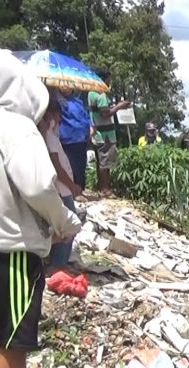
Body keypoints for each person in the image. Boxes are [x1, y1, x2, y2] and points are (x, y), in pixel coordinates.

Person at [0, 51, 82, 368]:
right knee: (11, 344)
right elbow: (36, 186)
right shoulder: (14, 127)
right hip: (11, 249)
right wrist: (63, 220)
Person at [40, 93, 83, 273]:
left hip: (63, 188)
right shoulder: (48, 136)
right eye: (58, 115)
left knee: (64, 224)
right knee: (69, 224)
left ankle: (58, 262)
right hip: (62, 189)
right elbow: (56, 166)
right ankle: (58, 264)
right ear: (50, 115)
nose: (60, 119)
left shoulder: (52, 135)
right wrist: (72, 185)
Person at [88, 69, 130, 197]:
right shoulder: (100, 94)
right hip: (105, 135)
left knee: (100, 162)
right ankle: (106, 190)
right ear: (102, 79)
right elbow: (105, 113)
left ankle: (102, 188)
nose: (109, 82)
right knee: (105, 163)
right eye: (108, 80)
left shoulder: (91, 93)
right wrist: (119, 106)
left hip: (98, 133)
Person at [56, 90, 91, 193]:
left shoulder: (78, 102)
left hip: (81, 138)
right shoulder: (57, 101)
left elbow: (86, 117)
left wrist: (90, 128)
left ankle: (80, 190)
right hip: (67, 138)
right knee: (70, 167)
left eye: (68, 84)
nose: (65, 86)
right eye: (62, 84)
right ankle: (72, 192)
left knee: (81, 167)